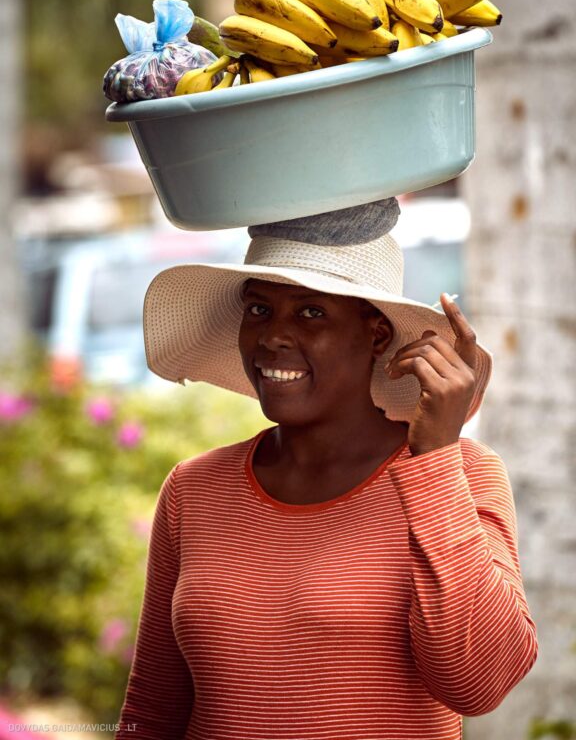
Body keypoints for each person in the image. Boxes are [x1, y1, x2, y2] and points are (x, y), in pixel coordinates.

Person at [115, 201, 538, 740]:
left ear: (377, 336)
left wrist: (434, 457)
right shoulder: (194, 490)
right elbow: (152, 712)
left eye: (311, 311)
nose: (272, 337)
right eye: (259, 309)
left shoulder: (462, 475)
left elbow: (479, 682)